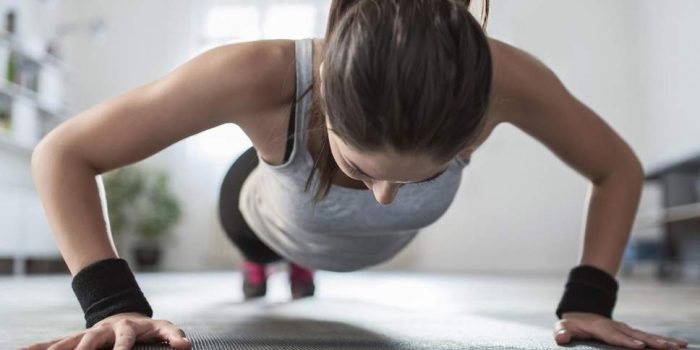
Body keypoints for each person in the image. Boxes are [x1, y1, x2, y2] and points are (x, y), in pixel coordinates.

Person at [26, 1, 689, 350]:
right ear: (326, 98)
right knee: (259, 241)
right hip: (262, 210)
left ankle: (303, 266)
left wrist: (589, 299)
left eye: (420, 177)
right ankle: (265, 266)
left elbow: (616, 168)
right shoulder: (258, 74)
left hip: (344, 243)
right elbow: (63, 153)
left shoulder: (501, 81)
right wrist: (112, 304)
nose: (385, 197)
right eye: (361, 167)